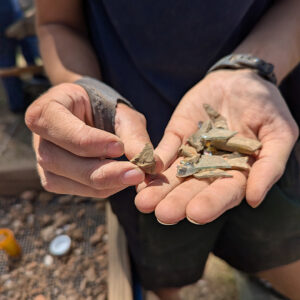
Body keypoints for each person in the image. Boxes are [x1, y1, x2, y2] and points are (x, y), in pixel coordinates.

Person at [25, 1, 300, 299]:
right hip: (141, 163)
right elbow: (58, 25)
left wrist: (251, 66)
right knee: (164, 270)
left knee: (280, 250)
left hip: (257, 120)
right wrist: (86, 94)